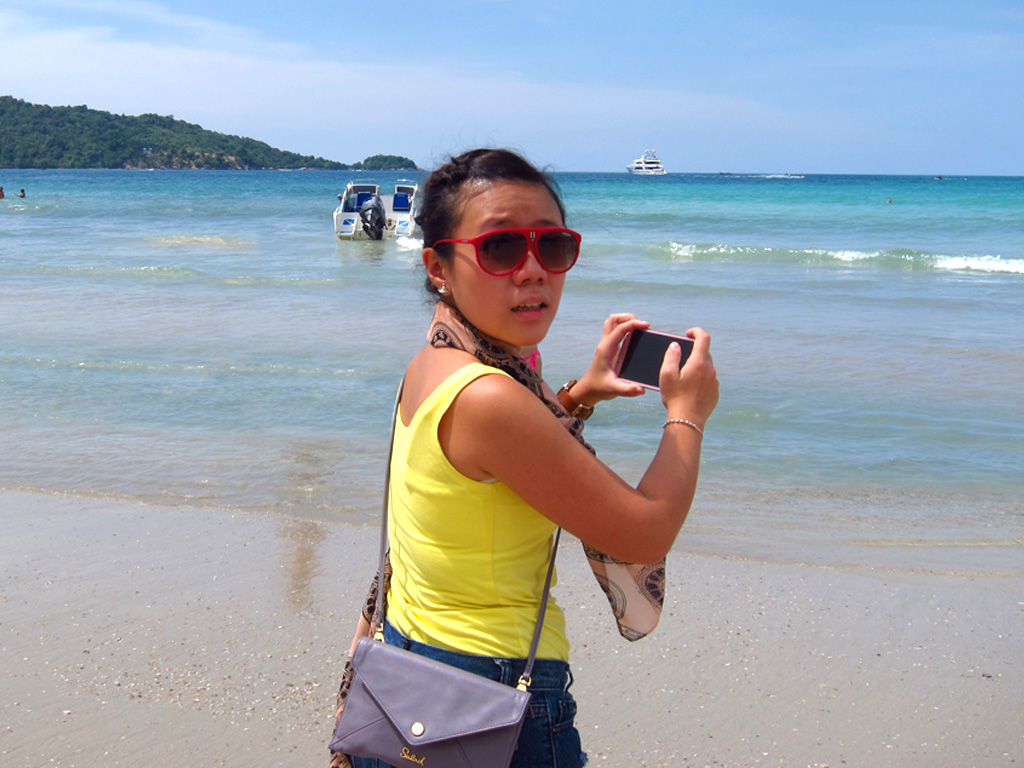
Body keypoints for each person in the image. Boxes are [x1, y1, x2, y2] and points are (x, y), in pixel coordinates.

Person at [332, 148, 719, 768]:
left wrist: (579, 394)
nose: (533, 270)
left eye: (553, 245)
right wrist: (688, 414)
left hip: (404, 679)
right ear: (438, 266)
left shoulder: (438, 362)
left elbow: (499, 462)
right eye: (502, 247)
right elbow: (645, 532)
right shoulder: (491, 397)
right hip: (490, 699)